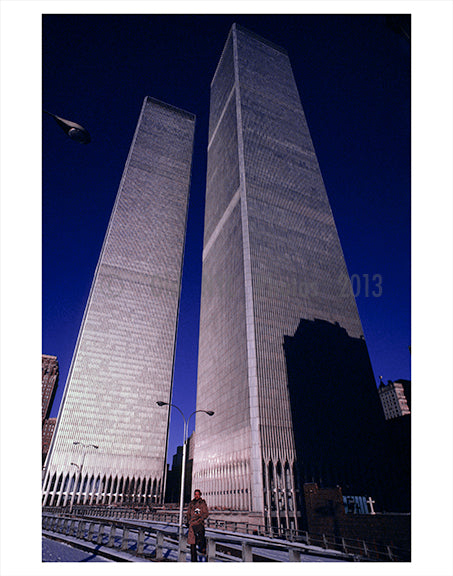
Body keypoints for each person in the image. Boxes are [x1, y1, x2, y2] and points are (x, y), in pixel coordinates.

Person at [186, 489, 209, 562]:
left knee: (200, 540)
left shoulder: (202, 503)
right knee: (192, 545)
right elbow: (188, 513)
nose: (196, 496)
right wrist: (187, 521)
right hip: (192, 526)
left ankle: (203, 550)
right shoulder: (191, 503)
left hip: (198, 525)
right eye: (195, 494)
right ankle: (194, 561)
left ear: (200, 495)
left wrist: (200, 519)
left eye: (198, 494)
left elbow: (206, 514)